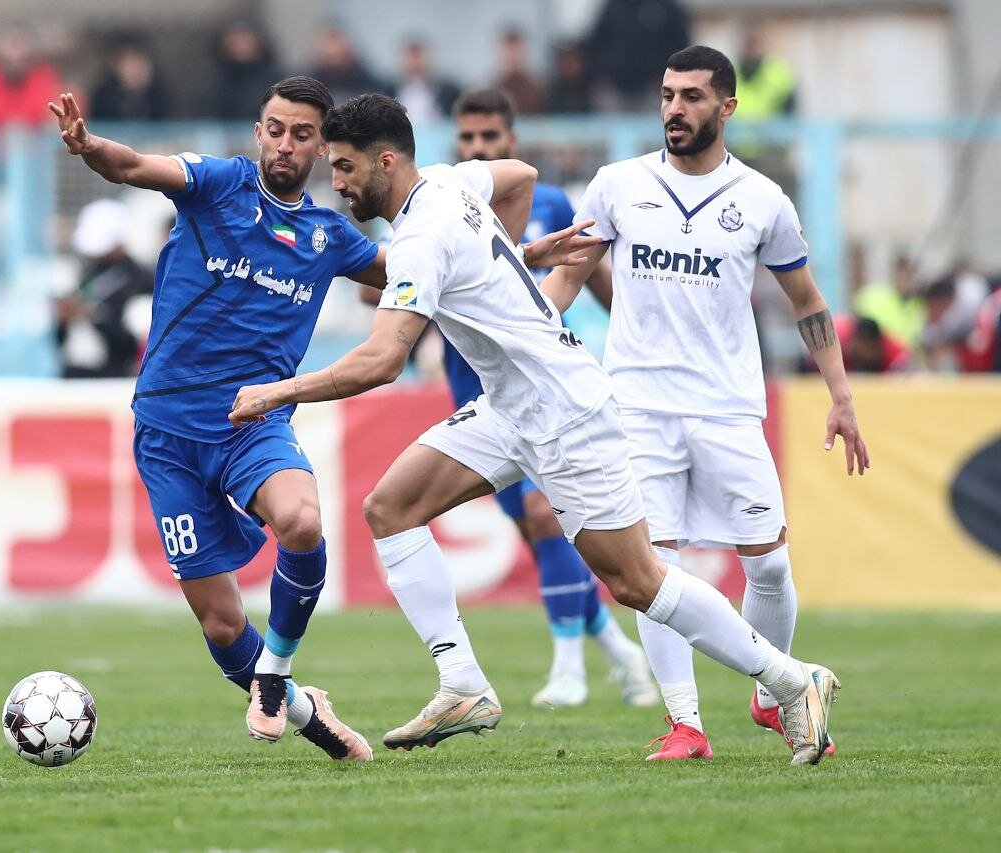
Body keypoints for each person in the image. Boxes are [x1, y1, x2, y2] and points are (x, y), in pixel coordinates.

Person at [230, 93, 844, 766]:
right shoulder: (451, 181)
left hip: (564, 411)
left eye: (345, 167)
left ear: (385, 161)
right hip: (510, 406)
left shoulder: (420, 239)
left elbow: (382, 360)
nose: (337, 183)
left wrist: (279, 392)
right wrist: (515, 259)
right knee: (390, 507)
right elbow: (520, 176)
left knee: (637, 581)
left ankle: (793, 680)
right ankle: (463, 683)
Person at [541, 45, 869, 760]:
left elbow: (808, 302)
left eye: (691, 96)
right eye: (667, 95)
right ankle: (686, 724)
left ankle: (772, 693)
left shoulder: (763, 200)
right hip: (637, 407)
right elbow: (567, 279)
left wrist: (841, 396)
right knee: (652, 569)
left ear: (728, 107)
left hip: (727, 408)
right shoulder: (618, 185)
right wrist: (526, 339)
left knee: (770, 564)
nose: (674, 109)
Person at [50, 76, 388, 761]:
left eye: (301, 134)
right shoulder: (219, 184)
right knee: (223, 623)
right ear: (258, 132)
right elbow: (134, 166)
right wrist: (90, 148)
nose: (284, 144)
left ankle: (277, 671)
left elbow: (415, 275)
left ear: (322, 147)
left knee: (301, 521)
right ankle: (308, 713)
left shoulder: (329, 238)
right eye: (275, 129)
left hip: (251, 421)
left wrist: (518, 260)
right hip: (167, 433)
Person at [448, 88, 657, 708]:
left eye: (490, 137)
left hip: (543, 391)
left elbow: (593, 277)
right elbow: (379, 287)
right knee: (540, 536)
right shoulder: (442, 206)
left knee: (547, 518)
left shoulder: (552, 205)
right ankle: (620, 653)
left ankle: (569, 669)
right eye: (468, 138)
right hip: (475, 389)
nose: (478, 148)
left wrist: (640, 343)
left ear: (512, 142)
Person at [55, 198, 154, 378]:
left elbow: (137, 344)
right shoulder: (86, 274)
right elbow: (61, 341)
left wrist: (93, 316)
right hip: (75, 375)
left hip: (116, 378)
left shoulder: (141, 279)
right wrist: (63, 319)